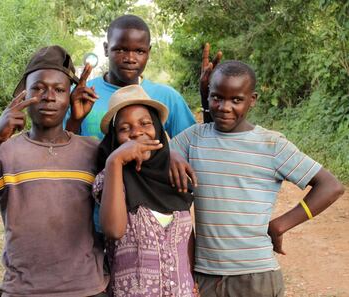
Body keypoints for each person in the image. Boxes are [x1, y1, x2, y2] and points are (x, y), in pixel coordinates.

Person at [170, 60, 344, 297]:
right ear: (207, 96)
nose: (224, 107)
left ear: (252, 99)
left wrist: (280, 224)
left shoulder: (271, 144)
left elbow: (331, 186)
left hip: (255, 276)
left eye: (236, 100)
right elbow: (156, 156)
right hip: (205, 276)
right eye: (216, 97)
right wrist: (169, 154)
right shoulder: (194, 138)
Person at [0, 46, 109, 297]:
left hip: (87, 288)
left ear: (70, 97)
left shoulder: (93, 149)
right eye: (38, 88)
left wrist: (170, 154)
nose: (49, 97)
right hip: (23, 290)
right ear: (23, 94)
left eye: (60, 89)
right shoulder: (4, 153)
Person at [93, 85, 198, 296]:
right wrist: (115, 160)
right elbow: (113, 230)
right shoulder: (112, 177)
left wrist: (192, 278)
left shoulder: (173, 174)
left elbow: (186, 237)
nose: (137, 132)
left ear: (158, 128)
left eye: (145, 123)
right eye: (124, 128)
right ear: (114, 138)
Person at [64, 14, 196, 140]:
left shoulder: (168, 97)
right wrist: (75, 121)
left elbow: (192, 146)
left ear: (148, 52)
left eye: (139, 51)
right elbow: (57, 147)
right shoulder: (81, 95)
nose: (130, 59)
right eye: (120, 50)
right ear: (106, 49)